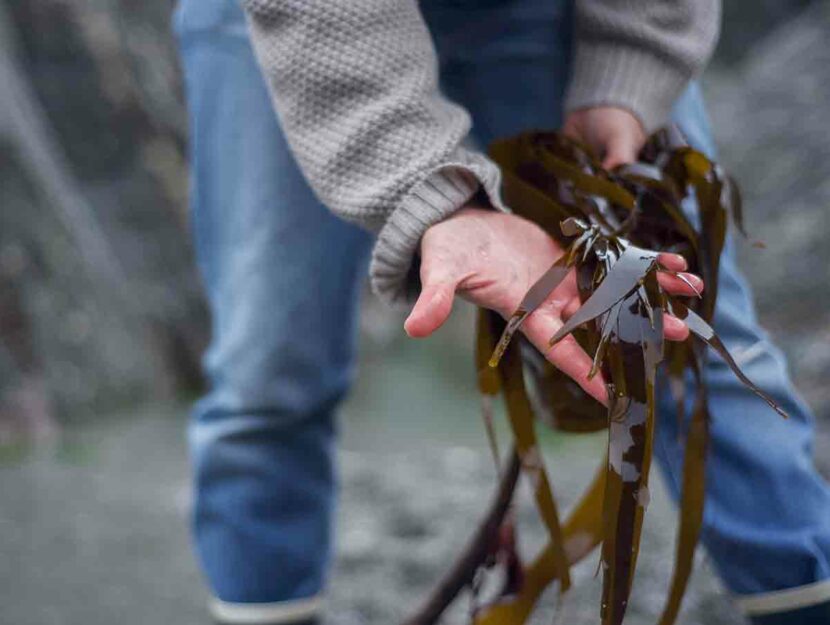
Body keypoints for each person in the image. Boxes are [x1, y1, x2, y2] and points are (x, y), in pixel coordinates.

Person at [173, 1, 830, 624]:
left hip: (553, 12)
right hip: (297, 27)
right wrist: (432, 193)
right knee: (268, 373)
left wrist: (629, 66)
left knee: (693, 346)